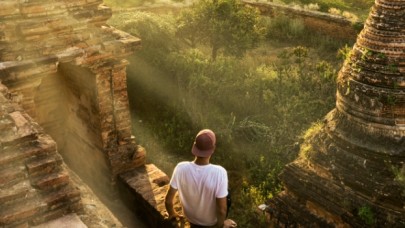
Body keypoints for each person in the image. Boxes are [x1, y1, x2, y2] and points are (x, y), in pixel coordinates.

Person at [165, 129, 237, 228]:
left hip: (190, 219)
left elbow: (168, 201)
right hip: (210, 223)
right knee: (226, 194)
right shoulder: (219, 172)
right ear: (213, 148)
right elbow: (222, 210)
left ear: (194, 146)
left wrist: (172, 214)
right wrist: (221, 225)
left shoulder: (180, 168)